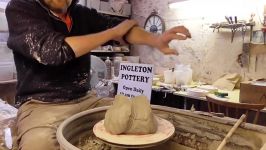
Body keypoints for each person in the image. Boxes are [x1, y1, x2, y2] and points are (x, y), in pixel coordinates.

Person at [5, 0, 191, 149]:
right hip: (41, 105)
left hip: (86, 98)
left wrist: (155, 39)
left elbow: (123, 30)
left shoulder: (81, 13)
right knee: (39, 143)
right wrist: (111, 33)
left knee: (142, 119)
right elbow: (52, 52)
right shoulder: (21, 8)